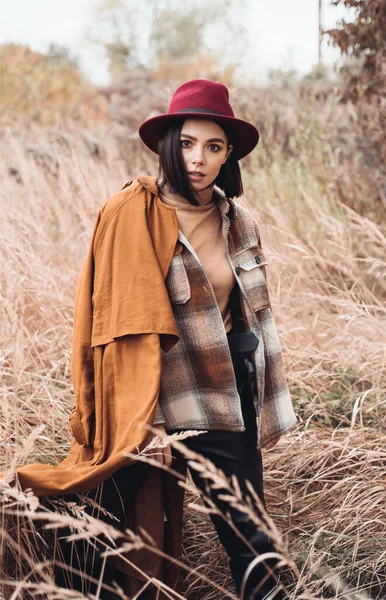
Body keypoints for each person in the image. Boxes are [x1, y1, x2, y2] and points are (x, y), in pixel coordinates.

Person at [46, 79, 297, 599]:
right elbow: (106, 318)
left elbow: (252, 316)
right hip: (150, 399)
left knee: (252, 540)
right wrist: (130, 411)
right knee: (96, 523)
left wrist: (265, 399)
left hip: (222, 392)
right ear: (167, 146)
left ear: (228, 155)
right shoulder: (131, 214)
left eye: (213, 146)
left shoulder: (238, 221)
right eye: (186, 143)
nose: (198, 159)